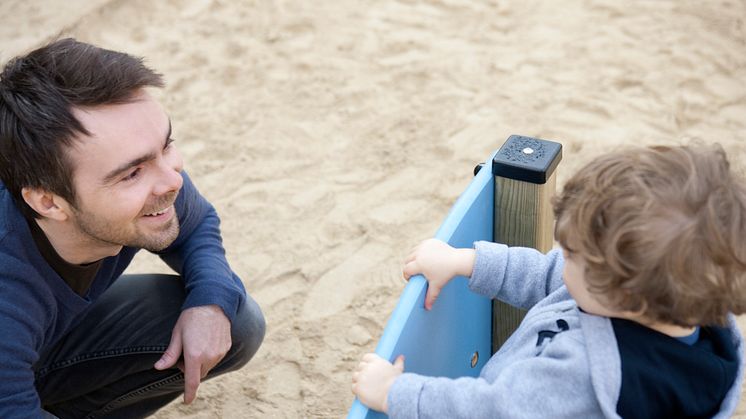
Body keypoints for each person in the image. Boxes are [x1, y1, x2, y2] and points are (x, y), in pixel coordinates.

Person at [352, 143, 746, 418]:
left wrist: (395, 393)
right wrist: (465, 261)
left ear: (627, 299)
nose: (561, 256)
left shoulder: (581, 376)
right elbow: (549, 275)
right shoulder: (679, 308)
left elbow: (490, 411)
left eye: (573, 254)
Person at [0, 38, 265, 417]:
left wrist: (210, 302)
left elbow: (196, 224)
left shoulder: (150, 186)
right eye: (132, 173)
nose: (172, 182)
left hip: (38, 347)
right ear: (48, 202)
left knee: (236, 320)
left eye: (166, 145)